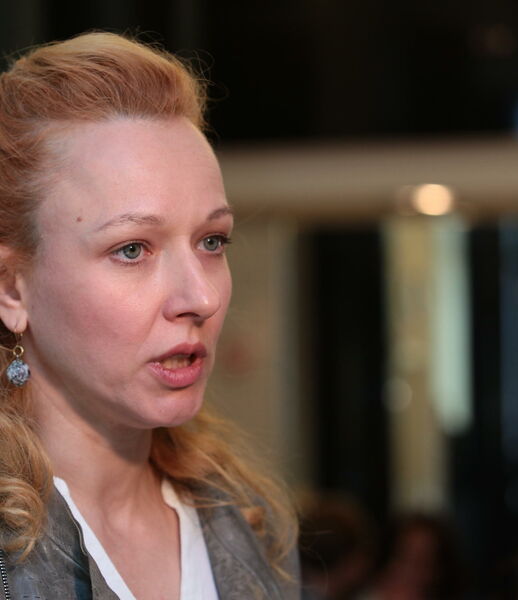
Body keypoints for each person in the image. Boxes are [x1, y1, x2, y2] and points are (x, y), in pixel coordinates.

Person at [0, 32, 299, 599]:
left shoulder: (251, 524)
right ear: (11, 289)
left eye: (212, 241)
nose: (201, 297)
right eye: (133, 249)